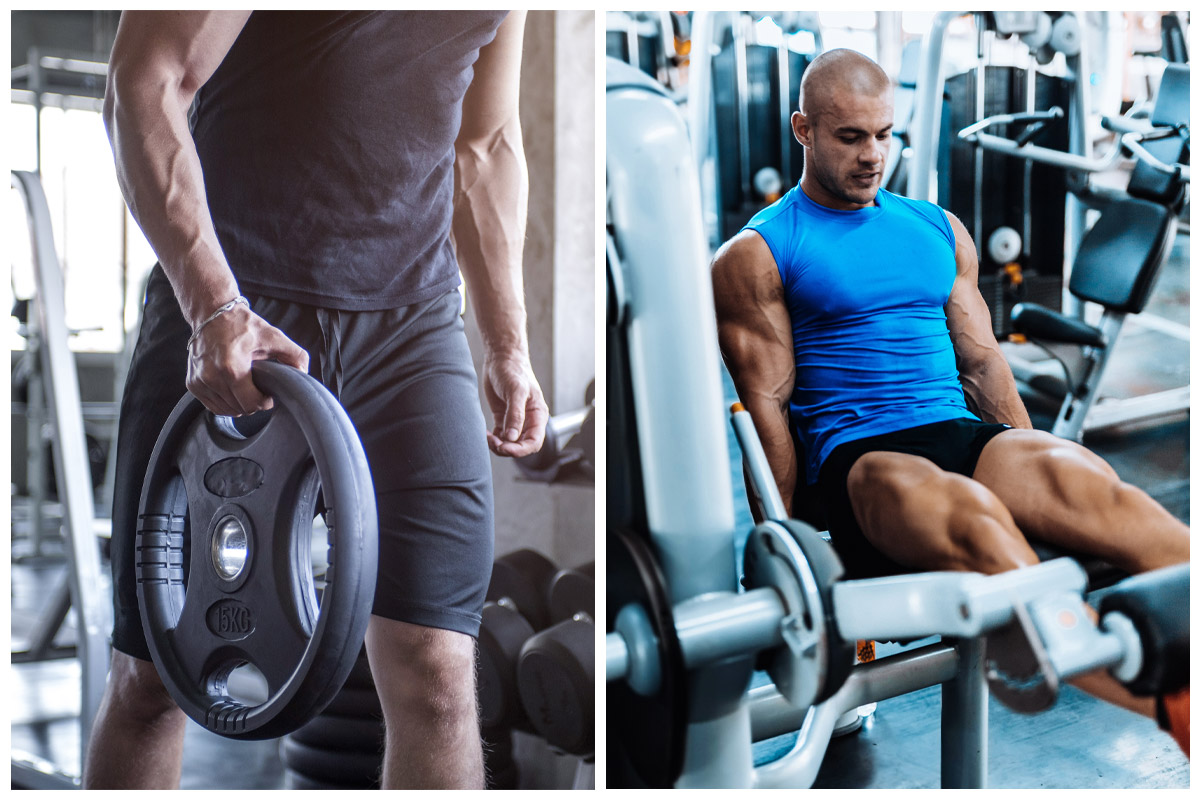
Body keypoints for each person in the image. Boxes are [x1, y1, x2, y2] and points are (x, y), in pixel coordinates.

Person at [85, 10, 547, 789]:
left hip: (412, 330)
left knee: (438, 672)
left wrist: (507, 343)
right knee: (154, 678)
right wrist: (214, 306)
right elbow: (145, 82)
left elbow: (487, 142)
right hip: (238, 306)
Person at [711, 49, 1189, 755]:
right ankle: (1175, 713)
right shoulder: (758, 252)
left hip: (957, 430)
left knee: (1088, 483)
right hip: (862, 459)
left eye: (884, 135)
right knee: (967, 515)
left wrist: (1032, 460)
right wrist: (791, 555)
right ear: (803, 129)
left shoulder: (937, 226)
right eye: (851, 137)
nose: (874, 156)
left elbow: (983, 363)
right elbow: (767, 413)